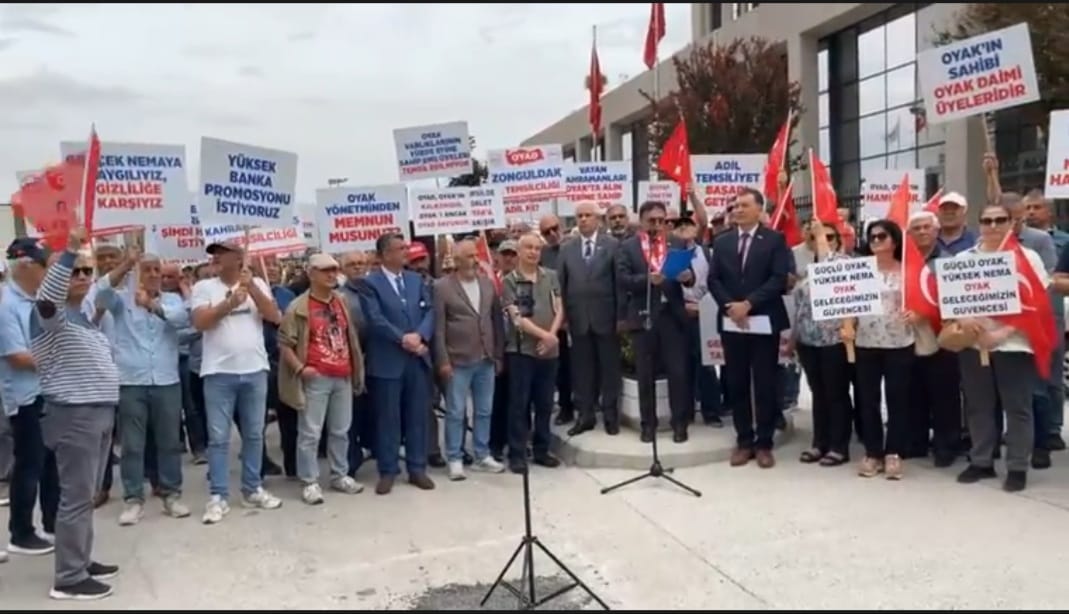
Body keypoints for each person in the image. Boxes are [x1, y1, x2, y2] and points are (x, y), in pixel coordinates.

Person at [31, 225, 119, 600]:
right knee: (76, 496)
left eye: (87, 271)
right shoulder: (51, 315)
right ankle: (68, 577)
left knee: (85, 495)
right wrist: (68, 251)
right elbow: (46, 298)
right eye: (74, 271)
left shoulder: (81, 316)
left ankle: (80, 560)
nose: (83, 276)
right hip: (75, 415)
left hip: (96, 413)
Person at [956, 203, 1048, 493]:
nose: (993, 225)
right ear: (979, 224)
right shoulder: (963, 258)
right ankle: (982, 460)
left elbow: (1037, 305)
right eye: (987, 220)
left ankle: (1018, 466)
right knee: (978, 405)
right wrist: (969, 323)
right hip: (974, 344)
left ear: (1011, 222)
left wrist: (1003, 333)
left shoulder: (1028, 258)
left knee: (1017, 408)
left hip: (1014, 344)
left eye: (999, 220)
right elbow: (953, 299)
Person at [191, 240, 283, 525]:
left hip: (254, 370)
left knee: (255, 434)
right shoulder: (203, 288)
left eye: (222, 254)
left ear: (239, 257)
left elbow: (275, 316)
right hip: (218, 373)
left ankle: (252, 488)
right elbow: (200, 323)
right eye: (213, 255)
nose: (215, 258)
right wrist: (230, 302)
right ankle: (218, 495)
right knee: (218, 439)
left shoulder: (256, 283)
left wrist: (252, 288)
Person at [97, 250, 192, 525]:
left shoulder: (173, 300)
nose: (153, 275)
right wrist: (125, 264)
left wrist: (153, 306)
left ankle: (172, 494)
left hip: (166, 380)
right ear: (136, 273)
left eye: (156, 270)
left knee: (169, 442)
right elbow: (100, 292)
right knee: (133, 445)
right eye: (147, 270)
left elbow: (183, 321)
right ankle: (133, 499)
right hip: (132, 381)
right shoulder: (122, 301)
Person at [708, 188, 791, 467]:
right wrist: (731, 306)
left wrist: (749, 303)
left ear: (759, 209)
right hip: (733, 322)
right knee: (736, 382)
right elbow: (713, 279)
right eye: (734, 206)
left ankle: (764, 442)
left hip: (764, 320)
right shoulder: (722, 242)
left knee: (765, 382)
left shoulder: (775, 240)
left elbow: (779, 278)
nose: (737, 210)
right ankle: (744, 440)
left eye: (744, 205)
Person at [278, 254, 365, 504]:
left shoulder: (341, 301)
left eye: (334, 269)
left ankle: (339, 474)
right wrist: (301, 369)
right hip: (316, 376)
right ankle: (309, 481)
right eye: (325, 270)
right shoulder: (298, 307)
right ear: (311, 273)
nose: (331, 274)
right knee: (310, 432)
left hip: (343, 375)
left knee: (341, 430)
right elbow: (285, 344)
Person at [358, 233, 436, 495]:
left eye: (405, 247)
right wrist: (402, 338)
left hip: (416, 359)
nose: (405, 252)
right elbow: (375, 318)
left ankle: (417, 468)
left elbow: (430, 311)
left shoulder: (415, 280)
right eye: (399, 248)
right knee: (388, 418)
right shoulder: (370, 283)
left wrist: (421, 335)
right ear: (385, 254)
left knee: (417, 416)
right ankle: (388, 470)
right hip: (388, 361)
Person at [618, 201, 694, 443]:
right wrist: (648, 279)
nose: (658, 225)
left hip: (672, 316)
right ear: (641, 221)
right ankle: (647, 425)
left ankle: (679, 423)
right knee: (645, 373)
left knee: (678, 372)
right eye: (652, 221)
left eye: (662, 220)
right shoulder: (629, 247)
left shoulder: (676, 243)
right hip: (644, 316)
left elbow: (689, 276)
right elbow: (623, 279)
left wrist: (688, 277)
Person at [0, 238, 57, 555]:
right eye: (44, 265)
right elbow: (16, 356)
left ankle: (52, 524)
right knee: (30, 464)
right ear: (25, 265)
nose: (47, 272)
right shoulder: (7, 305)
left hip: (45, 393)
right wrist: (60, 360)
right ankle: (21, 532)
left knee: (50, 463)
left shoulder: (35, 301)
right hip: (24, 398)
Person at [433, 239, 506, 479]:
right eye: (469, 256)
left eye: (476, 255)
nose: (475, 259)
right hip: (457, 360)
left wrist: (498, 355)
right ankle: (454, 457)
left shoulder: (486, 284)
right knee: (455, 411)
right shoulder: (442, 287)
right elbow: (439, 328)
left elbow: (495, 321)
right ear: (457, 259)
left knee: (484, 410)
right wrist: (443, 360)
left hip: (485, 358)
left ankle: (481, 454)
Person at [847, 220, 915, 480]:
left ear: (894, 241)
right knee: (868, 400)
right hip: (866, 342)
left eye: (881, 236)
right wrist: (848, 324)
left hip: (899, 343)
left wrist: (916, 313)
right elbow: (847, 300)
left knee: (898, 400)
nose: (875, 241)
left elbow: (923, 299)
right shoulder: (860, 271)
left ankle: (894, 452)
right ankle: (873, 452)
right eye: (872, 237)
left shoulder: (908, 270)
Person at [789, 220, 852, 466]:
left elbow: (832, 275)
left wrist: (822, 239)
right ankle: (820, 442)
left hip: (833, 339)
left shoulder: (843, 265)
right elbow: (801, 308)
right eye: (816, 237)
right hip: (808, 340)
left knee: (836, 393)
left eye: (828, 237)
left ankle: (839, 445)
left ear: (838, 241)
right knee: (819, 393)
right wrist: (793, 339)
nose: (821, 240)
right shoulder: (807, 269)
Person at [557, 202, 621, 436]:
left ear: (598, 219)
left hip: (606, 317)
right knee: (582, 371)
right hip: (577, 319)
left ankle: (611, 416)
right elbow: (561, 285)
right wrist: (562, 317)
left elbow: (618, 284)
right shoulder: (567, 249)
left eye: (588, 215)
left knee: (609, 369)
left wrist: (620, 317)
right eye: (579, 216)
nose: (583, 219)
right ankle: (585, 416)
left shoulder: (612, 245)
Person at [502, 232, 564, 473]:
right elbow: (517, 316)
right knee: (520, 404)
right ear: (518, 251)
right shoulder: (511, 280)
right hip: (522, 351)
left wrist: (553, 336)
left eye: (537, 248)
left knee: (545, 403)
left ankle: (542, 449)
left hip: (549, 351)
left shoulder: (551, 276)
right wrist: (544, 336)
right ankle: (517, 453)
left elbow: (559, 308)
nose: (533, 252)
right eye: (528, 248)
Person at [904, 211, 961, 467]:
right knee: (913, 392)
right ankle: (915, 442)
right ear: (909, 234)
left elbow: (955, 302)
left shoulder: (951, 262)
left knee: (944, 395)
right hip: (909, 337)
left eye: (928, 227)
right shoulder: (902, 261)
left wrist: (926, 314)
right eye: (917, 228)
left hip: (941, 336)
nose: (923, 231)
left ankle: (946, 446)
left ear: (936, 231)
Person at [537, 214, 574, 426]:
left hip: (580, 314)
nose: (552, 234)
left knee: (583, 365)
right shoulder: (542, 254)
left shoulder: (575, 246)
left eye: (554, 228)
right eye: (546, 232)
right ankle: (566, 407)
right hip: (556, 319)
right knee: (563, 367)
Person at [339, 251, 373, 476]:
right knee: (350, 415)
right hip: (351, 362)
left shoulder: (377, 291)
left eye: (361, 263)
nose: (357, 267)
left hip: (379, 359)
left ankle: (378, 450)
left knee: (377, 412)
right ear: (343, 269)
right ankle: (351, 460)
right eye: (352, 264)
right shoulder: (339, 297)